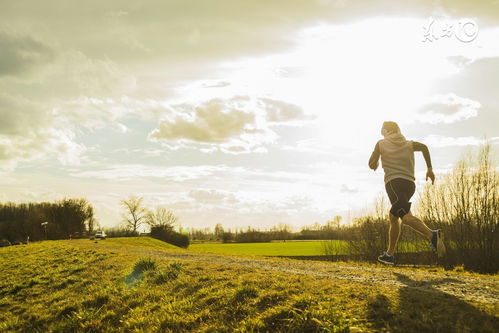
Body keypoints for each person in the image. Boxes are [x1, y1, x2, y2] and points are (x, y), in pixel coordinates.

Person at [368, 121, 445, 265]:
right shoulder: (409, 144)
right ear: (398, 130)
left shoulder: (381, 143)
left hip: (393, 183)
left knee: (405, 217)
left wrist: (377, 161)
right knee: (394, 216)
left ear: (385, 131)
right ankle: (389, 255)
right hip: (410, 184)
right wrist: (429, 169)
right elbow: (424, 147)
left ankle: (432, 235)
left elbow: (371, 164)